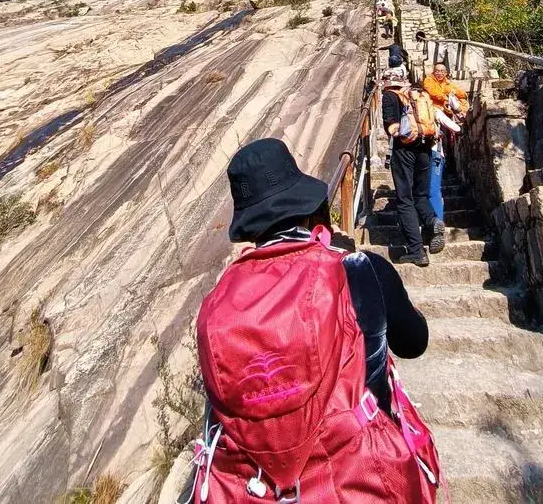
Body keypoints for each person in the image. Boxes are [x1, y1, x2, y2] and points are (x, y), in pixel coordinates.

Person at [190, 138, 441, 502]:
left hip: (256, 490)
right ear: (307, 207)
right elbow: (415, 342)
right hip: (363, 482)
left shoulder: (216, 306)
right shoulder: (357, 271)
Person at [381, 69, 442, 267]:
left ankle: (417, 251)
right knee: (421, 195)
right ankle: (432, 221)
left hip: (404, 151)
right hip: (425, 148)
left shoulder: (390, 96)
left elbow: (392, 126)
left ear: (387, 82)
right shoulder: (418, 93)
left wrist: (395, 132)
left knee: (405, 199)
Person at [423, 63, 468, 244]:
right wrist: (449, 101)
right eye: (437, 71)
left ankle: (427, 223)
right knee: (434, 188)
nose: (440, 73)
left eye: (442, 71)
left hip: (417, 153)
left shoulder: (416, 106)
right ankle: (436, 224)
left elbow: (462, 94)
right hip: (435, 149)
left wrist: (452, 97)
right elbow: (457, 127)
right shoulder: (435, 105)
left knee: (422, 188)